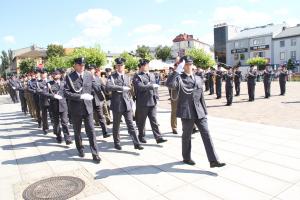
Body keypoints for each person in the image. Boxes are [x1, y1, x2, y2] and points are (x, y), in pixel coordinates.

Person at [166, 56, 226, 167]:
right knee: (187, 136)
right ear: (183, 66)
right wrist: (176, 71)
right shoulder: (179, 78)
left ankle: (213, 160)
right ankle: (186, 157)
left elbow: (201, 96)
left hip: (199, 111)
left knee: (206, 133)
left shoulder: (198, 78)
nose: (189, 66)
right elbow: (169, 84)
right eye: (186, 64)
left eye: (190, 64)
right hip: (187, 112)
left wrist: (204, 110)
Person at [64, 57, 101, 163]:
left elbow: (95, 86)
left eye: (83, 65)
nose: (82, 67)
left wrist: (103, 89)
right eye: (80, 65)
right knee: (77, 131)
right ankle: (80, 148)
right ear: (75, 65)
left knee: (91, 131)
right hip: (76, 109)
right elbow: (66, 93)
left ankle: (95, 153)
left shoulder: (88, 75)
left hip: (88, 108)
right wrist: (80, 96)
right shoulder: (70, 77)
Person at [106, 57, 143, 150]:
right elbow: (108, 87)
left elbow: (130, 89)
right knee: (116, 125)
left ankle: (136, 143)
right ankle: (117, 142)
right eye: (118, 65)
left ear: (124, 66)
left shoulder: (127, 76)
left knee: (131, 124)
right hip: (117, 104)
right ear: (116, 66)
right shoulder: (112, 77)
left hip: (127, 103)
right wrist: (121, 88)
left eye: (121, 65)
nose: (120, 67)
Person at [133, 59, 167, 144]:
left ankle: (158, 137)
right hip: (143, 102)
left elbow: (155, 89)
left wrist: (157, 98)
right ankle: (141, 136)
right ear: (141, 67)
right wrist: (150, 86)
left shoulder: (151, 75)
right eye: (145, 65)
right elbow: (139, 87)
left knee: (154, 120)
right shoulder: (137, 76)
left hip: (152, 101)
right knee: (142, 122)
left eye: (147, 65)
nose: (147, 67)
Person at [43, 69, 72, 145]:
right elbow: (45, 93)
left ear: (60, 75)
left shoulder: (64, 83)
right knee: (56, 123)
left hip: (63, 105)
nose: (55, 75)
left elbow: (68, 93)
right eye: (53, 74)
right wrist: (53, 95)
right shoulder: (49, 84)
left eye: (57, 74)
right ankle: (58, 136)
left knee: (65, 122)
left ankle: (67, 138)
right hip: (54, 106)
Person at [86, 64, 111, 138]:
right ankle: (89, 133)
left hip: (97, 100)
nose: (91, 71)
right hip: (88, 101)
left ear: (94, 70)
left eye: (92, 69)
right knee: (89, 118)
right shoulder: (84, 79)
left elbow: (102, 87)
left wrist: (108, 93)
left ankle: (105, 132)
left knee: (101, 117)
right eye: (89, 69)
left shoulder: (98, 78)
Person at [36, 69, 50, 134]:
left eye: (44, 73)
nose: (43, 75)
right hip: (43, 101)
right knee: (44, 116)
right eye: (42, 74)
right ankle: (45, 128)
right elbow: (39, 91)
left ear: (46, 74)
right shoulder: (38, 82)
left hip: (51, 101)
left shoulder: (51, 81)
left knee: (53, 115)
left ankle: (55, 127)